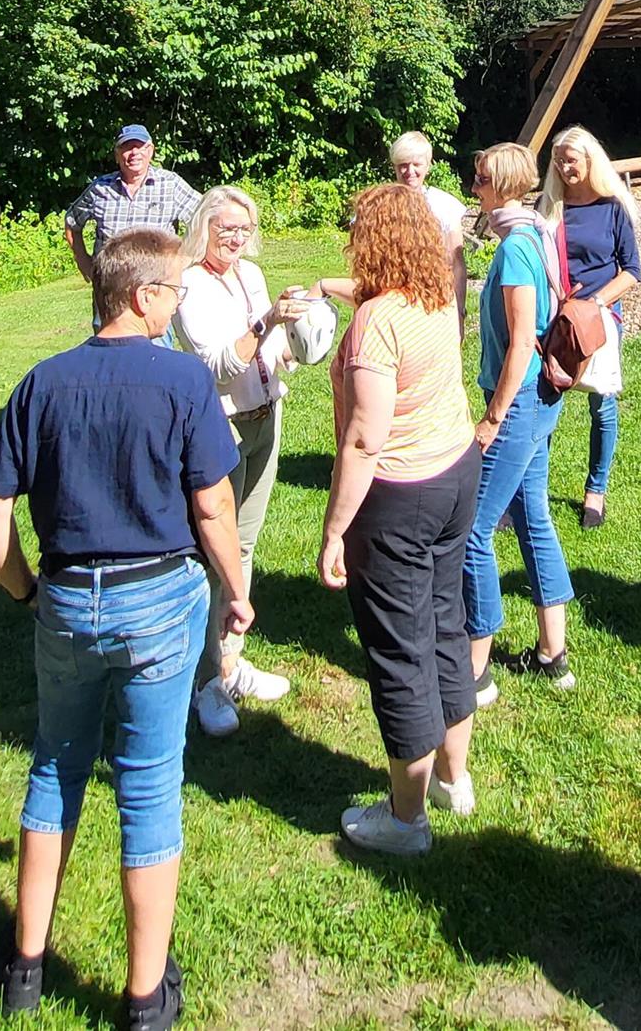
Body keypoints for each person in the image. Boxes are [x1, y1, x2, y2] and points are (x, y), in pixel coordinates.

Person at [0, 227, 251, 1029]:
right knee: (150, 785)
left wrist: (24, 589)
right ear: (141, 297)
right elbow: (213, 504)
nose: (176, 302)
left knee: (54, 767)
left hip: (66, 600)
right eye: (171, 290)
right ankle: (143, 997)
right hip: (160, 600)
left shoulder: (43, 381)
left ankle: (25, 965)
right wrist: (237, 587)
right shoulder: (181, 382)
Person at [319, 184, 481, 855]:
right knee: (446, 622)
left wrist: (334, 531)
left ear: (370, 240)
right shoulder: (438, 289)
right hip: (456, 472)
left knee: (399, 649)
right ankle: (454, 779)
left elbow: (364, 438)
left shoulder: (377, 322)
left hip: (401, 497)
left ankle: (406, 821)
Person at [172, 186, 309, 737]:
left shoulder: (250, 274)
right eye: (226, 227)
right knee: (213, 552)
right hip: (219, 429)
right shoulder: (186, 283)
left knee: (244, 545)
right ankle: (206, 680)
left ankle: (232, 659)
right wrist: (264, 324)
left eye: (243, 229)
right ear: (204, 225)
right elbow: (215, 364)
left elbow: (265, 345)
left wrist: (290, 343)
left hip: (265, 419)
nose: (235, 238)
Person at [463, 142, 575, 701]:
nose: (473, 187)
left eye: (480, 179)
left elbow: (520, 349)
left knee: (472, 532)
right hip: (540, 403)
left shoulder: (514, 252)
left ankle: (475, 668)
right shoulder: (535, 232)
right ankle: (554, 653)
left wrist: (492, 418)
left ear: (502, 186)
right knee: (533, 517)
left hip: (521, 400)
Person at [537, 125, 641, 530]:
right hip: (556, 316)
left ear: (589, 161)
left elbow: (631, 270)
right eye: (559, 161)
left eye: (572, 160)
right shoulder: (551, 206)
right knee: (545, 402)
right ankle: (533, 489)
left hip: (599, 319)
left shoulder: (613, 206)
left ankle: (595, 491)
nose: (565, 168)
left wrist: (597, 304)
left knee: (602, 404)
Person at [64, 124, 202, 287]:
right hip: (110, 287)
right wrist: (83, 261)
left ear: (150, 151)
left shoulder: (170, 184)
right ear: (117, 155)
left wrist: (184, 262)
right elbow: (72, 222)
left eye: (139, 146)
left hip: (158, 286)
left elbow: (205, 218)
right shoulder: (100, 188)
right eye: (127, 147)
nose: (134, 153)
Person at [389, 131, 469, 329]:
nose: (410, 171)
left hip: (434, 300)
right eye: (403, 165)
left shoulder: (445, 205)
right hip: (391, 300)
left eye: (416, 164)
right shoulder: (382, 205)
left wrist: (458, 309)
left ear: (428, 164)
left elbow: (456, 263)